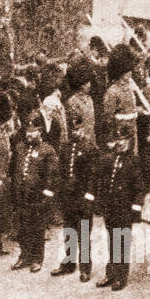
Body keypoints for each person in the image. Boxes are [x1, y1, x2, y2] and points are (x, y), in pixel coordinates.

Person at [95, 120, 144, 290]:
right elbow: (102, 182)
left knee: (122, 242)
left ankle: (121, 278)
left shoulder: (134, 160)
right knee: (112, 241)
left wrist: (136, 210)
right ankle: (111, 274)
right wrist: (100, 204)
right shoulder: (110, 158)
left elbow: (139, 188)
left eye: (123, 139)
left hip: (125, 209)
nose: (120, 142)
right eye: (118, 139)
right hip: (111, 208)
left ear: (129, 141)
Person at [52, 105, 99, 281]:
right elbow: (61, 172)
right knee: (69, 231)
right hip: (68, 197)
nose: (76, 133)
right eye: (73, 129)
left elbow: (94, 175)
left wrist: (90, 195)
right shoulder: (65, 147)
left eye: (78, 129)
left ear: (83, 128)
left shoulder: (90, 148)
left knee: (84, 233)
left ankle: (85, 268)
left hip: (83, 197)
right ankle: (69, 263)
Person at [10, 111, 58, 274]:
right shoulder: (19, 148)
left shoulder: (48, 150)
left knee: (37, 228)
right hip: (21, 196)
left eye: (33, 132)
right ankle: (25, 256)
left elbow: (52, 176)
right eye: (27, 132)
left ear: (40, 132)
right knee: (22, 228)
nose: (30, 135)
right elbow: (14, 170)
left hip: (37, 197)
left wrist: (46, 195)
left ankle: (37, 259)